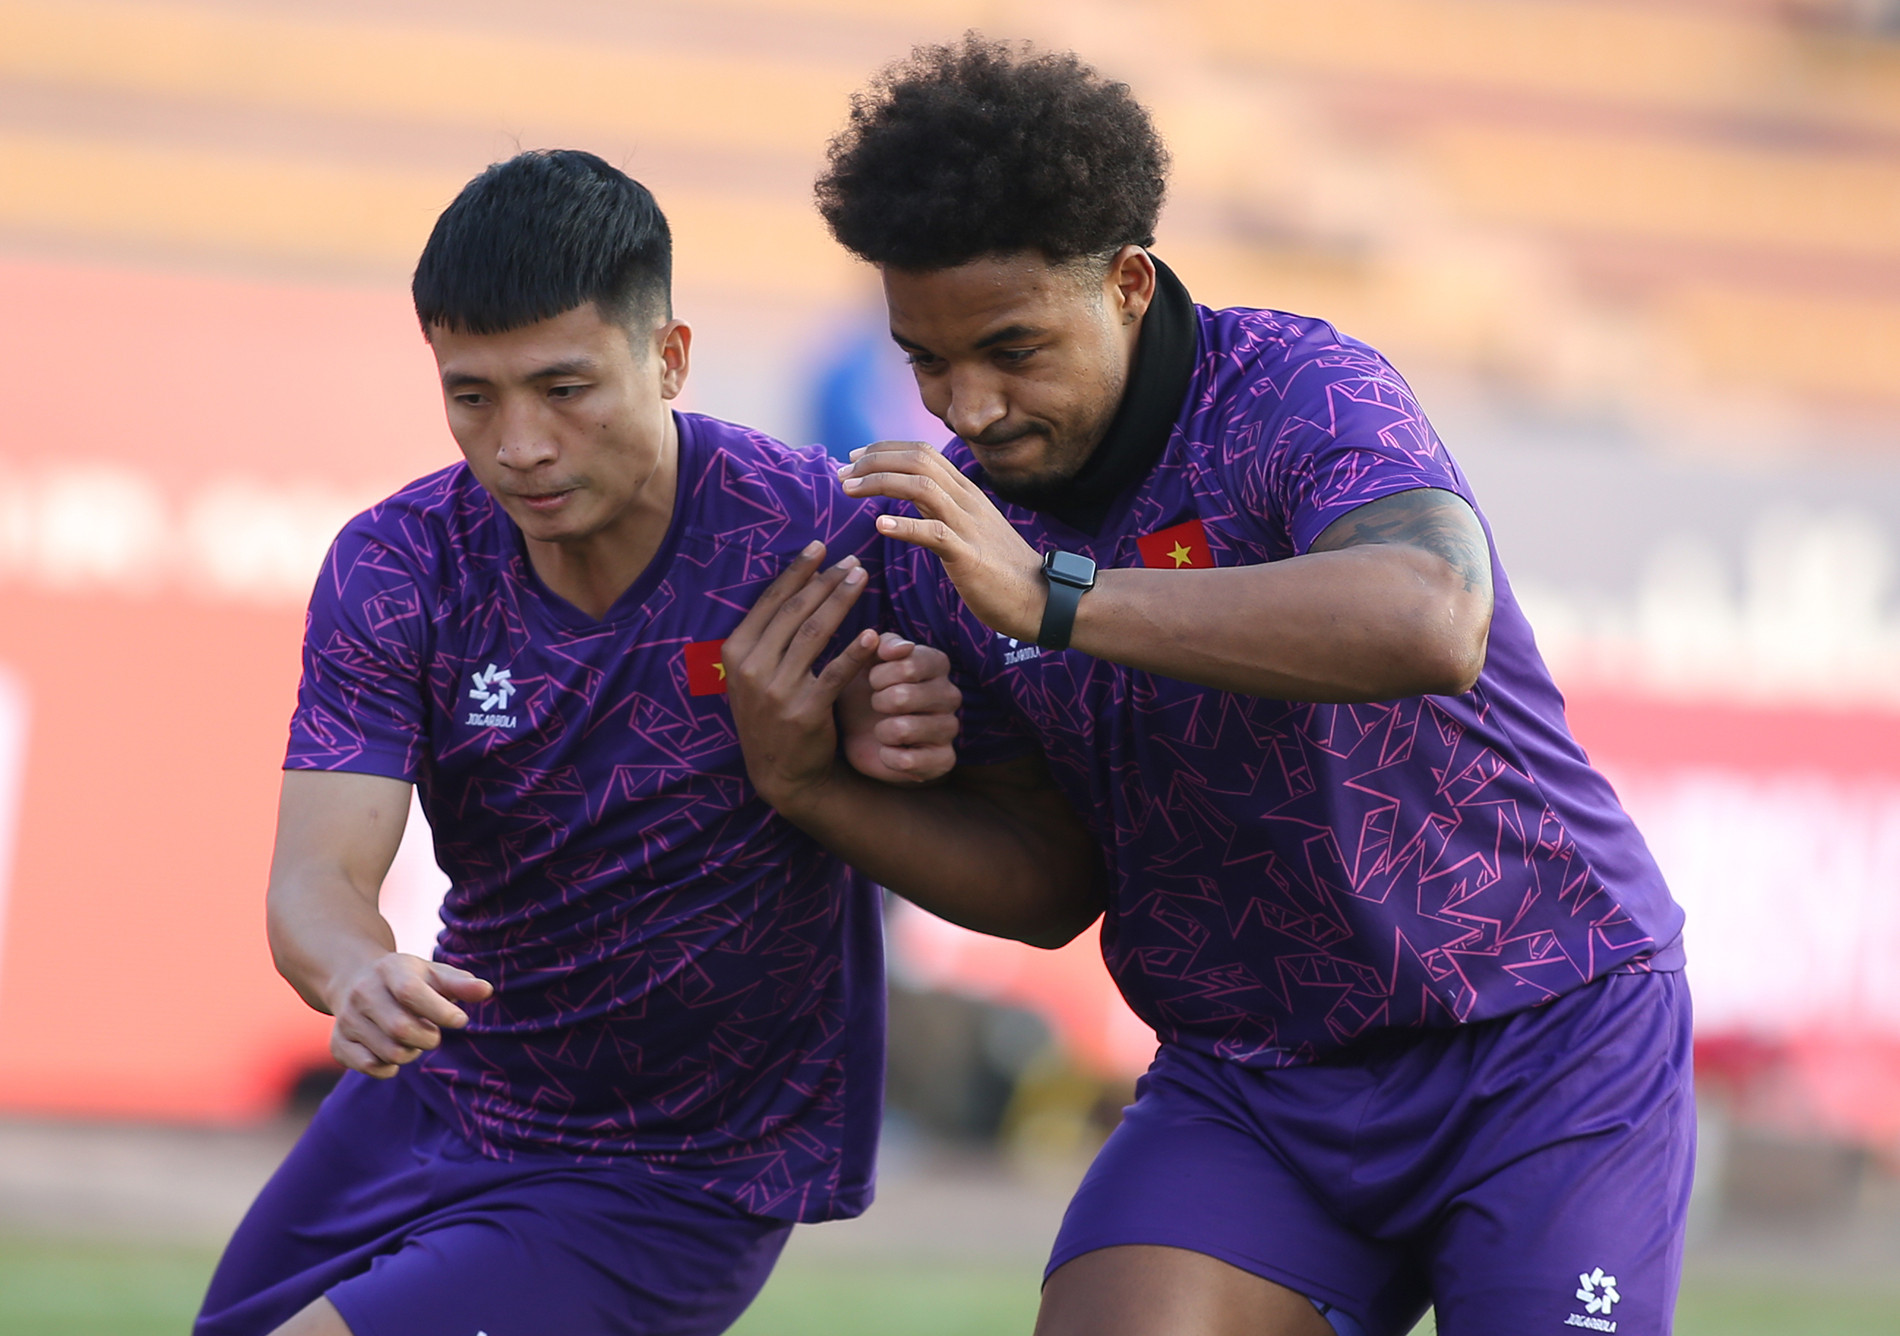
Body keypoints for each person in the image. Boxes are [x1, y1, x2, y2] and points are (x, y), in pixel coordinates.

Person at [788, 37, 1690, 1336]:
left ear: (1128, 283)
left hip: (1542, 1031)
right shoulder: (957, 540)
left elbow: (1433, 614)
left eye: (1011, 348)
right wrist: (826, 784)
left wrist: (1054, 599)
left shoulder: (1293, 392)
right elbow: (1051, 889)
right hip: (1252, 1081)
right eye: (926, 360)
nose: (968, 406)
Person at [194, 149, 1102, 1336]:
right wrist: (357, 971)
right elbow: (315, 878)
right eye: (473, 396)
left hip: (678, 1169)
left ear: (668, 358)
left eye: (563, 388)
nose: (519, 442)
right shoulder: (399, 563)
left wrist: (886, 769)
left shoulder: (830, 541)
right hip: (442, 1094)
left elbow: (1043, 883)